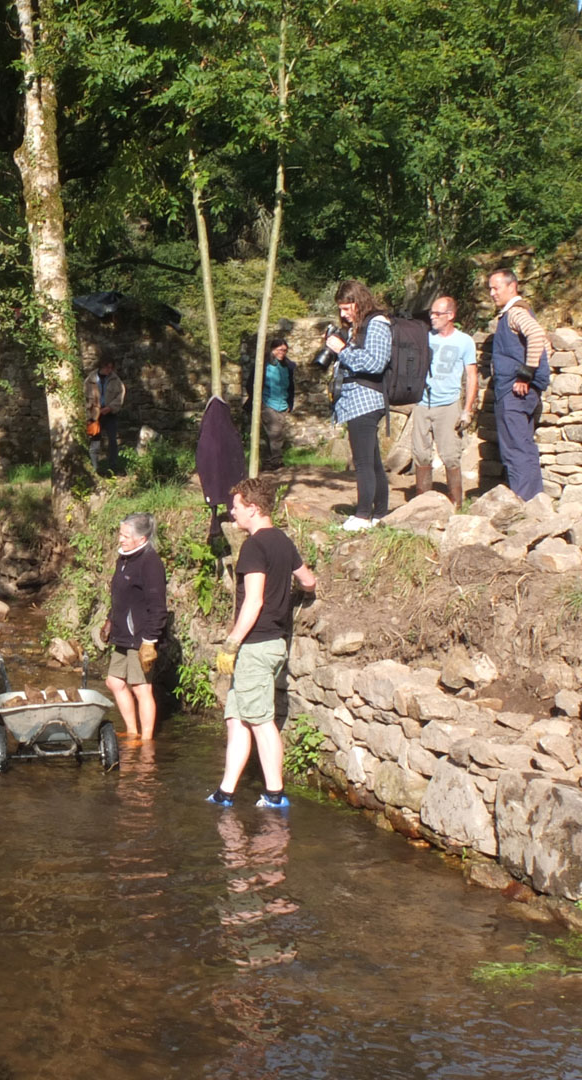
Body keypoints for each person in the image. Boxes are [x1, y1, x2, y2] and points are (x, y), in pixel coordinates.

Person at [208, 474, 317, 810]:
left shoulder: (254, 547)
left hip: (256, 645)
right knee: (237, 718)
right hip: (274, 642)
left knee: (260, 721)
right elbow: (309, 581)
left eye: (236, 507)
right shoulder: (282, 540)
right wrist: (291, 596)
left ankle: (274, 794)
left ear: (253, 509)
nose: (232, 513)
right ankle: (226, 792)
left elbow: (253, 601)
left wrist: (232, 643)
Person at [321, 280, 392, 531]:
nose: (342, 314)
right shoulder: (359, 327)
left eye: (346, 308)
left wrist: (342, 351)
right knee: (372, 461)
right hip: (355, 400)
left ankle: (363, 516)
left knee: (362, 461)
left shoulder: (378, 323)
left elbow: (375, 363)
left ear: (358, 302)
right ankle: (380, 513)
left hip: (366, 399)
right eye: (339, 309)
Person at [486, 269, 552, 501]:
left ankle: (525, 504)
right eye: (490, 289)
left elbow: (536, 334)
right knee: (524, 446)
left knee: (515, 450)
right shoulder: (519, 312)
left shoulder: (515, 312)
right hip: (523, 393)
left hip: (515, 392)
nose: (492, 293)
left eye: (496, 288)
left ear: (512, 286)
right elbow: (545, 344)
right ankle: (535, 502)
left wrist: (525, 374)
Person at [407, 296, 479, 504]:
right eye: (432, 313)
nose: (433, 317)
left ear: (451, 316)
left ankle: (456, 503)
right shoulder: (425, 338)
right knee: (420, 453)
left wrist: (467, 409)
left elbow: (471, 375)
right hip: (422, 402)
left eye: (438, 314)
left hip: (448, 404)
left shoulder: (464, 341)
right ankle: (422, 503)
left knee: (449, 454)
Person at [102, 513, 166, 741]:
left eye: (126, 535)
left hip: (140, 636)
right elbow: (121, 595)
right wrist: (110, 620)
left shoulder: (150, 563)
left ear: (142, 538)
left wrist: (150, 641)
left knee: (141, 688)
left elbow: (158, 606)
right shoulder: (125, 558)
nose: (120, 539)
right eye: (120, 533)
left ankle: (147, 741)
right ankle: (132, 732)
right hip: (122, 634)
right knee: (114, 682)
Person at [85, 351, 126, 476]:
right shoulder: (90, 380)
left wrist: (110, 407)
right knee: (95, 442)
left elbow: (121, 395)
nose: (110, 370)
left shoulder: (115, 379)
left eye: (111, 367)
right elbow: (84, 397)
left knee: (113, 441)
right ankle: (95, 469)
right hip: (95, 416)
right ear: (101, 366)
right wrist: (92, 412)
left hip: (110, 414)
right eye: (107, 367)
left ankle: (113, 468)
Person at [259, 336, 296, 469]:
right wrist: (258, 401)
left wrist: (290, 404)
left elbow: (291, 387)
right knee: (275, 432)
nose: (282, 353)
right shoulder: (263, 365)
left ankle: (267, 462)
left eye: (285, 350)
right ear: (272, 349)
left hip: (282, 404)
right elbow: (252, 383)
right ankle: (276, 461)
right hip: (267, 403)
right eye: (279, 350)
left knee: (277, 434)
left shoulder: (288, 367)